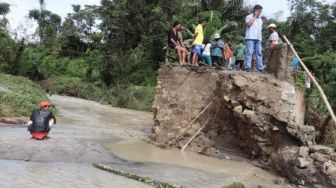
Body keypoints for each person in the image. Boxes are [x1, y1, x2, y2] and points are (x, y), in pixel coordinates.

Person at [245, 4, 264, 72]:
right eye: (259, 11)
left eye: (260, 12)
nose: (260, 13)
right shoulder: (249, 16)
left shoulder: (260, 20)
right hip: (250, 38)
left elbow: (260, 30)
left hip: (258, 39)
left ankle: (261, 68)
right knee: (249, 52)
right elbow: (249, 24)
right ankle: (247, 67)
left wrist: (260, 39)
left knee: (259, 53)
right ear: (255, 10)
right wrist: (255, 16)